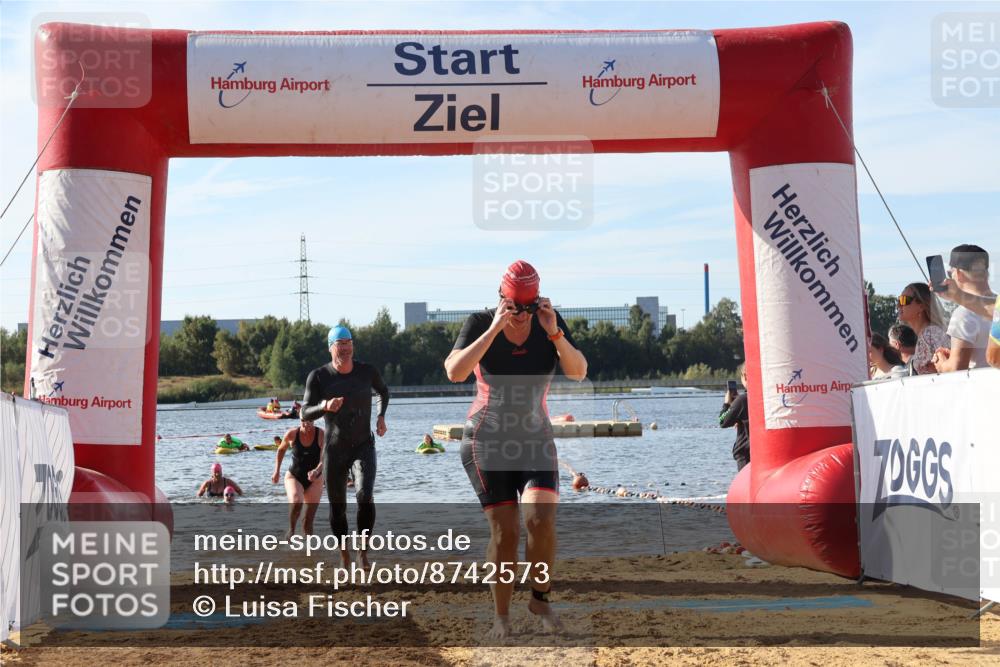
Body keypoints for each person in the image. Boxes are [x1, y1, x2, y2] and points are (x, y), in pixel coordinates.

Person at [444, 260, 588, 639]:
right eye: (514, 307)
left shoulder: (547, 322)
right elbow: (455, 371)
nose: (522, 316)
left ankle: (540, 598)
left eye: (529, 306)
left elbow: (578, 371)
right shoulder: (479, 323)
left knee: (540, 520)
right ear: (501, 299)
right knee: (505, 534)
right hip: (486, 441)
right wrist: (494, 329)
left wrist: (555, 333)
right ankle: (501, 618)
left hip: (535, 438)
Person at [302, 324, 389, 568]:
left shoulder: (366, 371)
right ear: (331, 348)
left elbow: (383, 390)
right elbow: (305, 412)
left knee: (365, 496)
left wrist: (381, 416)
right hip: (334, 448)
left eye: (349, 342)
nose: (346, 348)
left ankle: (362, 552)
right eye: (340, 344)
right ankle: (344, 554)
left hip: (363, 444)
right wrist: (325, 406)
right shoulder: (319, 376)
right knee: (337, 507)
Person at [933, 245, 995, 372]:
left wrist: (941, 362)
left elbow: (957, 368)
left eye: (950, 273)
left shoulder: (963, 314)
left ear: (959, 273)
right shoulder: (997, 304)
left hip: (983, 388)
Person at [272, 416, 325, 539]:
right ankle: (291, 530)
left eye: (310, 421)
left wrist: (316, 471)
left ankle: (307, 552)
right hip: (294, 476)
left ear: (314, 420)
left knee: (308, 522)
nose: (306, 424)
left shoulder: (321, 434)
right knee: (296, 502)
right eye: (303, 421)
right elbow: (281, 450)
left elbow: (324, 458)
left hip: (316, 478)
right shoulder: (292, 434)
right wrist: (276, 471)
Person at [896, 282, 949, 374]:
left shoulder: (931, 333)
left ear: (921, 306)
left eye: (904, 300)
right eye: (899, 300)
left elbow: (947, 370)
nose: (899, 305)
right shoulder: (927, 334)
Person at [718, 364, 750, 471]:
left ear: (744, 376)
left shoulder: (741, 401)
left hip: (746, 454)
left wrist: (727, 404)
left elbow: (722, 421)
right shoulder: (767, 397)